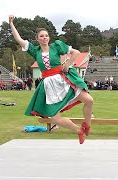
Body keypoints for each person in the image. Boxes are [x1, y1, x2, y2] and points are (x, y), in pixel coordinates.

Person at [9, 15, 93, 144]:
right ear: (37, 38)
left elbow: (75, 52)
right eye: (41, 36)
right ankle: (78, 131)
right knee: (54, 117)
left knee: (89, 100)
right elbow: (18, 38)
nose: (44, 38)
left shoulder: (56, 46)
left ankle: (87, 125)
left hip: (63, 79)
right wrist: (11, 23)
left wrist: (67, 65)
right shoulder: (34, 50)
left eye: (46, 35)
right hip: (49, 84)